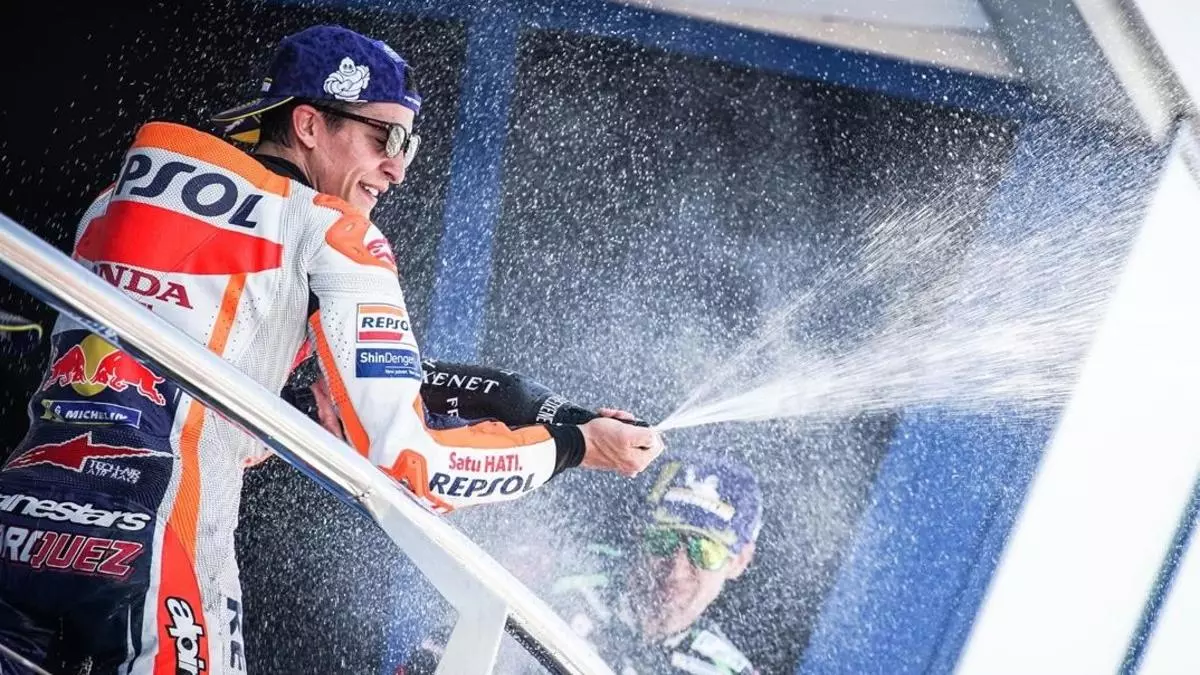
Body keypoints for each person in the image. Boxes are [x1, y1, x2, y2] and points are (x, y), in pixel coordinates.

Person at [0, 25, 663, 674]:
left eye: (409, 144)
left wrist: (550, 411)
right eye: (385, 137)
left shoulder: (114, 201)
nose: (398, 168)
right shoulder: (329, 228)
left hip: (17, 522)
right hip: (158, 546)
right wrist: (575, 447)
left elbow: (195, 375)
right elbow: (415, 463)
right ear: (310, 125)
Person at [403, 456, 763, 675]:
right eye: (663, 542)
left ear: (739, 561)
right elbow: (436, 658)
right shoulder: (555, 584)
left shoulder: (727, 669)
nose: (677, 568)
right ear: (639, 533)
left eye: (705, 551)